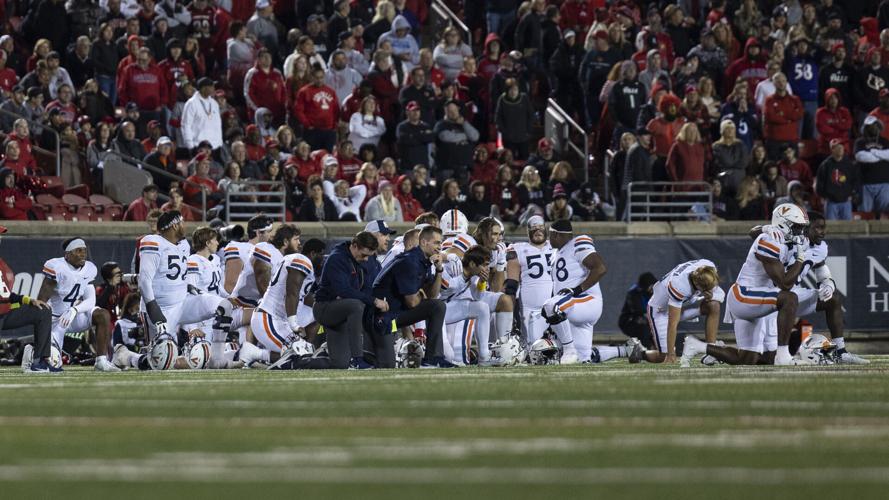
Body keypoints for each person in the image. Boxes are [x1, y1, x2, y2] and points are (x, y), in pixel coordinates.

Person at [685, 205, 808, 366]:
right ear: (783, 223)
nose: (800, 233)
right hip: (745, 295)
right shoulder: (769, 240)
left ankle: (699, 346)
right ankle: (784, 355)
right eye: (797, 227)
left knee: (754, 360)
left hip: (764, 298)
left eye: (802, 228)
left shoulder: (788, 240)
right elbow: (784, 284)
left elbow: (753, 232)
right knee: (790, 298)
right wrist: (800, 259)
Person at [113, 211, 235, 370]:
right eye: (182, 222)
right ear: (174, 225)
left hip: (183, 302)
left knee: (224, 306)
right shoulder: (152, 242)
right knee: (161, 362)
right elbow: (144, 281)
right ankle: (126, 356)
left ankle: (217, 358)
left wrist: (187, 285)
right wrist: (154, 310)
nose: (185, 226)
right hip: (160, 308)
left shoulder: (183, 245)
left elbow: (173, 274)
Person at [543, 219, 636, 364]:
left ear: (555, 234)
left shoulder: (577, 243)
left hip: (586, 300)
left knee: (551, 306)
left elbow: (600, 268)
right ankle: (625, 350)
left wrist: (577, 290)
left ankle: (569, 351)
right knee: (583, 359)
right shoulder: (557, 254)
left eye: (550, 235)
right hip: (572, 306)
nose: (548, 239)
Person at [372, 225, 454, 368]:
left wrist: (439, 270)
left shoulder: (425, 261)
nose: (439, 247)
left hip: (397, 311)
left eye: (440, 243)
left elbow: (433, 296)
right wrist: (421, 294)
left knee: (437, 305)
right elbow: (412, 303)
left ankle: (433, 358)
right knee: (385, 365)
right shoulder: (410, 261)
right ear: (423, 242)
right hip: (382, 317)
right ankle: (431, 358)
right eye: (436, 243)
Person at [33, 238, 118, 371]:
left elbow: (91, 301)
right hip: (55, 320)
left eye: (84, 251)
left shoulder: (89, 268)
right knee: (52, 364)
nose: (83, 254)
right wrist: (43, 328)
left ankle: (101, 360)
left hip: (73, 316)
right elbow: (41, 302)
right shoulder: (57, 267)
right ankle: (32, 352)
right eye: (78, 251)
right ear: (67, 254)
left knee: (102, 314)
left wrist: (74, 310)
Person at [313, 231, 386, 369]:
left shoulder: (356, 258)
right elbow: (344, 291)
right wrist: (374, 301)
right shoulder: (337, 258)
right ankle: (357, 359)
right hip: (325, 308)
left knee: (340, 364)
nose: (365, 259)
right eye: (364, 255)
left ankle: (299, 362)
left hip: (342, 314)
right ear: (354, 245)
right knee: (356, 305)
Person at [636, 260, 724, 364]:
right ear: (696, 283)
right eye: (706, 288)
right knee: (663, 356)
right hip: (660, 311)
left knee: (714, 306)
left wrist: (712, 295)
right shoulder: (679, 284)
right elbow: (672, 324)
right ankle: (639, 354)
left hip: (681, 305)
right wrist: (670, 354)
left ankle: (711, 351)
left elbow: (721, 295)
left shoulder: (707, 268)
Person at [0, 227, 55, 373]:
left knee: (42, 311)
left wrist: (28, 300)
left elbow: (5, 294)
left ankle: (38, 361)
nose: (0, 238)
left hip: (5, 313)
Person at [504, 215, 553, 345]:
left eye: (540, 227)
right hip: (530, 310)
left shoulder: (555, 246)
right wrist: (512, 316)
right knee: (534, 349)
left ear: (546, 229)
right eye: (534, 228)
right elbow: (511, 286)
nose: (538, 230)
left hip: (557, 306)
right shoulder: (518, 249)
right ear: (528, 231)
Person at [294, 64, 340, 151]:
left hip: (329, 130)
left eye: (321, 77)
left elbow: (336, 109)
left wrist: (335, 125)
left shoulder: (330, 91)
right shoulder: (304, 91)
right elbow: (298, 110)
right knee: (313, 155)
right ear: (312, 78)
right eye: (317, 77)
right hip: (313, 131)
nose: (319, 80)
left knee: (327, 157)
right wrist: (307, 124)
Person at [433, 100, 479, 183]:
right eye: (450, 111)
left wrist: (464, 123)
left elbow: (475, 136)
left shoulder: (464, 124)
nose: (453, 113)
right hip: (447, 168)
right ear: (445, 112)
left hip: (464, 168)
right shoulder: (441, 124)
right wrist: (465, 136)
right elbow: (445, 137)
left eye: (454, 111)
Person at [853, 115, 889, 216]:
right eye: (870, 126)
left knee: (884, 214)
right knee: (865, 214)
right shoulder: (860, 142)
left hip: (884, 183)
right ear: (865, 128)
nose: (873, 128)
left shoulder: (885, 141)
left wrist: (873, 152)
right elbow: (861, 157)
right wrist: (881, 155)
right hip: (865, 183)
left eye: (875, 125)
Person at [816, 140, 858, 220]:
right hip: (831, 202)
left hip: (846, 202)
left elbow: (855, 180)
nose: (840, 149)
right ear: (832, 149)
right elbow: (819, 184)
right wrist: (825, 196)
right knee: (831, 228)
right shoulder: (825, 165)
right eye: (837, 147)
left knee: (848, 228)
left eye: (841, 147)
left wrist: (852, 194)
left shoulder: (849, 164)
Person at [617, 271, 657, 349]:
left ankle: (658, 348)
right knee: (645, 327)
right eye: (651, 287)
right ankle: (648, 349)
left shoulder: (655, 292)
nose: (653, 289)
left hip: (646, 319)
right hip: (629, 321)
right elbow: (639, 311)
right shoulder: (634, 293)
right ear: (645, 286)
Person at [181, 77, 223, 151]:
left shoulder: (214, 103)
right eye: (211, 86)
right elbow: (186, 125)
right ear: (203, 88)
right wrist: (190, 145)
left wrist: (220, 143)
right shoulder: (191, 103)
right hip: (199, 146)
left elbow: (218, 125)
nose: (214, 88)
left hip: (216, 146)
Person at [711, 120, 750, 196]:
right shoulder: (717, 146)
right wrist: (733, 165)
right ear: (722, 131)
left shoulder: (741, 144)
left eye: (732, 128)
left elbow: (744, 162)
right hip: (723, 181)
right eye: (727, 128)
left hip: (739, 181)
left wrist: (730, 166)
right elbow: (726, 161)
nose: (730, 131)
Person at [395, 101, 434, 170]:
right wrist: (422, 136)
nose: (416, 113)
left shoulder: (425, 126)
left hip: (423, 167)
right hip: (408, 167)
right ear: (407, 112)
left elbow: (430, 138)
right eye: (413, 110)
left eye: (417, 110)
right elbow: (405, 140)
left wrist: (412, 136)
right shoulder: (402, 126)